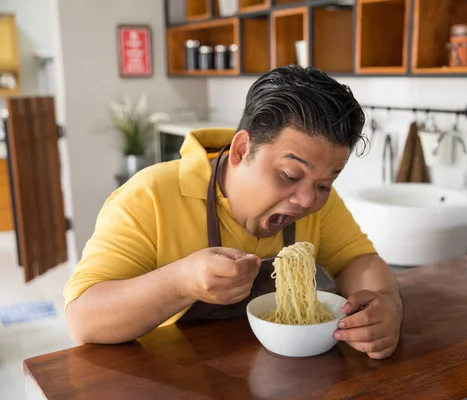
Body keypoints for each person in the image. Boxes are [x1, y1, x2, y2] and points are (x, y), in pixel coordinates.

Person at [63, 65, 404, 360]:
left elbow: (359, 261)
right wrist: (180, 282)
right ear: (242, 149)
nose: (306, 200)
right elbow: (84, 321)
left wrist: (386, 305)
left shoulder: (316, 202)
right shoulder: (148, 197)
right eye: (290, 175)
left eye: (324, 184)